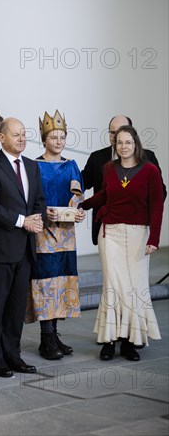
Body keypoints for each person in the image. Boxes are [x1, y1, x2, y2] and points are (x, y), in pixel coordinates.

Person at [80, 125, 164, 361]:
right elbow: (105, 194)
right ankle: (109, 340)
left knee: (134, 288)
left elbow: (157, 205)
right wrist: (83, 205)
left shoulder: (149, 170)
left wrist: (154, 238)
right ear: (114, 146)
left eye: (128, 142)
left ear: (136, 144)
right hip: (111, 234)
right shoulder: (109, 168)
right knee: (113, 288)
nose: (124, 146)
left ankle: (130, 341)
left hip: (139, 235)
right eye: (119, 143)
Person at [0, 118, 46, 377]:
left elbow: (38, 199)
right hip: (2, 248)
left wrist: (37, 218)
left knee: (17, 307)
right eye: (16, 134)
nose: (21, 138)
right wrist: (22, 221)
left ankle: (13, 355)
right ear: (2, 138)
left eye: (24, 134)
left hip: (26, 250)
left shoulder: (31, 166)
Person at [26, 110, 85, 360]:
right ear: (44, 139)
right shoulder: (34, 166)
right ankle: (45, 337)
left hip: (66, 233)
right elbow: (29, 198)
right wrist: (43, 212)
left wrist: (77, 211)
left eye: (62, 137)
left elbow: (77, 195)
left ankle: (55, 332)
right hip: (44, 232)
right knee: (45, 283)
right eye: (53, 137)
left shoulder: (70, 165)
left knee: (62, 283)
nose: (58, 141)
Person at [82, 114, 166, 246]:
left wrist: (142, 215)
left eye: (122, 132)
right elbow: (85, 184)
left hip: (138, 227)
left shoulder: (148, 159)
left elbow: (160, 195)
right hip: (106, 228)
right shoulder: (98, 159)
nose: (118, 137)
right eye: (113, 133)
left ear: (132, 134)